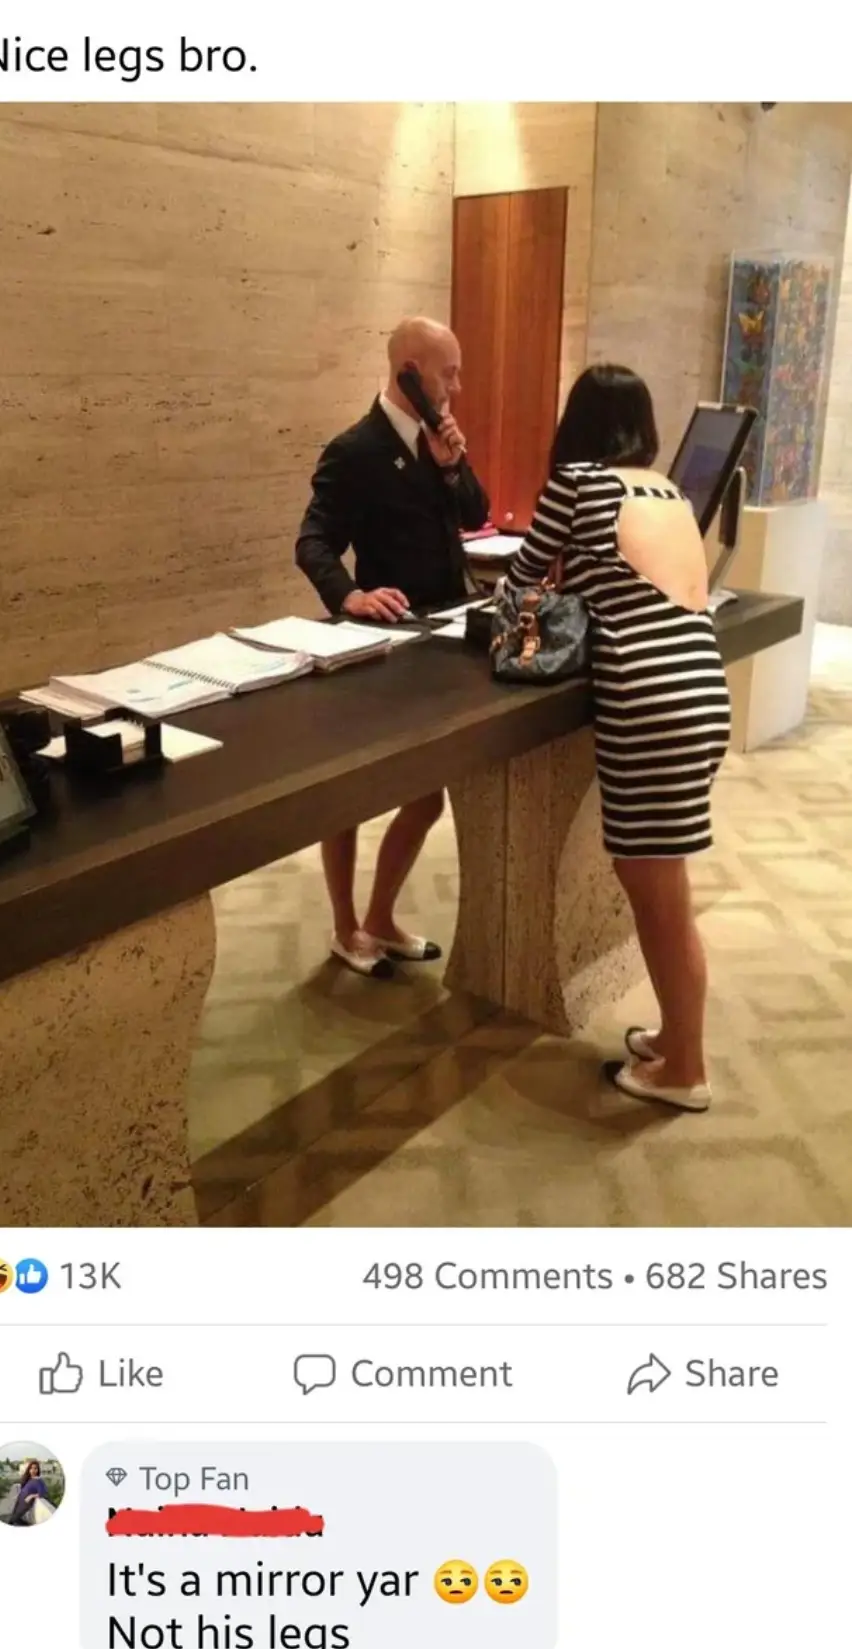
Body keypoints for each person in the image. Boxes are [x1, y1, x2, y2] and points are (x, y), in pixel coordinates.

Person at [504, 364, 730, 1113]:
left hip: (649, 704)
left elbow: (524, 575)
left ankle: (685, 1069)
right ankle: (675, 1038)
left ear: (577, 423)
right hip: (701, 690)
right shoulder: (667, 488)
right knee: (668, 885)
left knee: (658, 899)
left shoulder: (576, 480)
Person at [295, 316, 490, 976]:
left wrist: (454, 464)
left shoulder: (441, 443)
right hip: (378, 646)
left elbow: (474, 513)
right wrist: (348, 594)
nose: (457, 386)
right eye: (448, 373)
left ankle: (380, 914)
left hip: (439, 640)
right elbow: (313, 541)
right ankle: (345, 925)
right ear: (409, 370)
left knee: (426, 794)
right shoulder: (354, 449)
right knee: (346, 795)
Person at [8, 1459, 51, 1525]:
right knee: (13, 1516)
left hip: (25, 1503)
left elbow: (43, 1493)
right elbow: (25, 1488)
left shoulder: (39, 1480)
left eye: (35, 1468)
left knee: (14, 1519)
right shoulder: (29, 1478)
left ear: (38, 1470)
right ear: (29, 1469)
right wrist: (18, 1495)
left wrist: (31, 1496)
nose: (33, 1470)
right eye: (31, 1468)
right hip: (20, 1499)